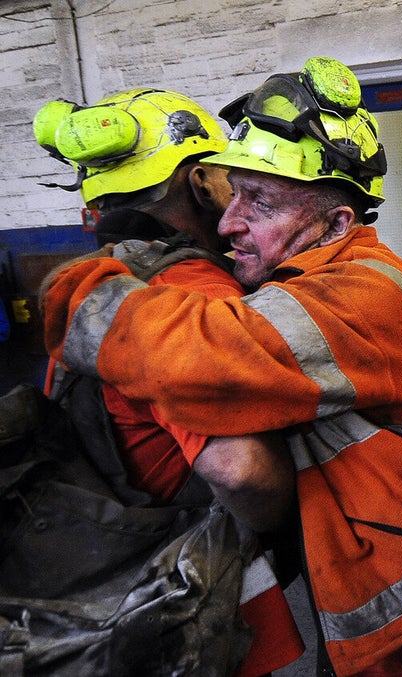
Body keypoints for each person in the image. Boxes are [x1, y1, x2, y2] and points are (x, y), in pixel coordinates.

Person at [40, 56, 402, 677]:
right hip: (388, 581)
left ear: (335, 224)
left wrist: (72, 288)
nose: (229, 222)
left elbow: (199, 357)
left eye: (262, 203)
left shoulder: (357, 292)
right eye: (236, 193)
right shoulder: (305, 278)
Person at [33, 87, 304, 676]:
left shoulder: (99, 286)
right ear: (203, 181)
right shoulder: (196, 294)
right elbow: (243, 471)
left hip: (106, 583)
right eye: (233, 179)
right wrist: (293, 523)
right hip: (187, 589)